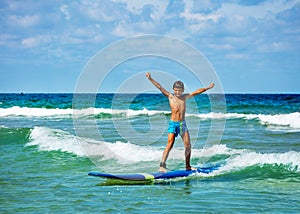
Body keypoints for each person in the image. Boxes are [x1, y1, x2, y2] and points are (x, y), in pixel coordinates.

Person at [146, 72, 215, 172]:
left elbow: (197, 92)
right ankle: (162, 165)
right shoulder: (170, 96)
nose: (177, 92)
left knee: (188, 145)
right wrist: (150, 78)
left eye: (179, 90)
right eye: (176, 90)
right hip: (173, 124)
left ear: (183, 90)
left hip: (182, 124)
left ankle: (188, 166)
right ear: (173, 90)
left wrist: (208, 88)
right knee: (170, 143)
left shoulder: (185, 97)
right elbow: (160, 87)